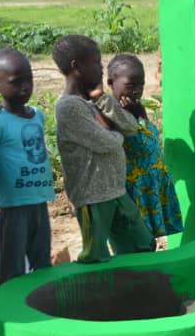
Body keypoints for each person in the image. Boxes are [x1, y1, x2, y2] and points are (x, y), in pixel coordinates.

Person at [52, 35, 154, 263]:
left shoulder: (95, 100)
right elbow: (107, 143)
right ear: (76, 67)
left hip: (116, 190)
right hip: (92, 196)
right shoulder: (68, 107)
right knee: (96, 256)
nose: (101, 68)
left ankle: (136, 292)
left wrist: (108, 110)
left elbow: (131, 126)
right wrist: (116, 132)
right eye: (97, 62)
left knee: (143, 244)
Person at [0, 48, 55, 284]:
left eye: (29, 80)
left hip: (38, 201)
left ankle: (42, 312)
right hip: (11, 207)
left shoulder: (38, 115)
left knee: (41, 264)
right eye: (16, 81)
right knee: (12, 269)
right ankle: (14, 317)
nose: (25, 87)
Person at [107, 54, 183, 244]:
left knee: (150, 240)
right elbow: (144, 144)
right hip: (135, 189)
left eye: (140, 85)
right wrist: (139, 115)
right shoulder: (114, 113)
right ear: (111, 83)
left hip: (149, 185)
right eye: (130, 86)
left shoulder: (134, 108)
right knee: (137, 240)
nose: (137, 91)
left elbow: (152, 139)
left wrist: (140, 114)